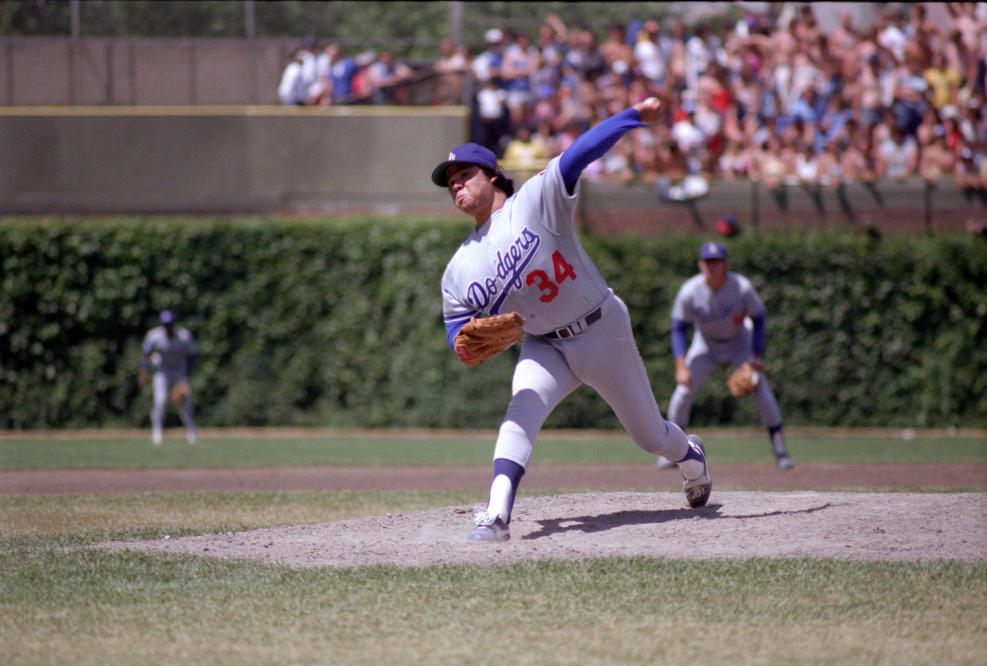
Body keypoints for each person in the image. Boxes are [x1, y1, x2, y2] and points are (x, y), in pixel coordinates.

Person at [431, 97, 712, 543]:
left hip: (600, 328)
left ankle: (689, 454)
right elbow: (455, 328)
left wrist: (634, 116)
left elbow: (580, 152)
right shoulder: (458, 268)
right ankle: (497, 514)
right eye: (450, 184)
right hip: (543, 344)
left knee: (650, 437)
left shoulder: (535, 201)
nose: (457, 187)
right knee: (520, 412)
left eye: (464, 175)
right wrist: (462, 345)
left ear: (492, 175)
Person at [658, 242, 793, 470]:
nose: (713, 266)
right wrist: (681, 365)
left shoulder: (741, 287)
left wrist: (756, 356)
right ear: (701, 264)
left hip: (740, 343)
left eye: (717, 261)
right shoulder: (690, 291)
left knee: (762, 391)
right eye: (708, 262)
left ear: (726, 264)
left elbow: (758, 318)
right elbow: (679, 328)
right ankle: (672, 452)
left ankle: (780, 450)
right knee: (683, 392)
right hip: (706, 345)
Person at [138, 310, 198, 445]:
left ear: (174, 324)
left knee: (185, 403)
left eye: (169, 324)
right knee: (160, 401)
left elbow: (193, 355)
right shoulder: (154, 336)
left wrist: (188, 373)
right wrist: (143, 373)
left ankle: (191, 432)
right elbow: (145, 354)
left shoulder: (184, 336)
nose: (167, 327)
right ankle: (157, 433)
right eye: (165, 325)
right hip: (162, 371)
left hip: (179, 371)